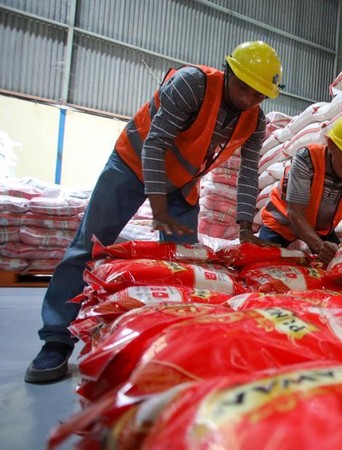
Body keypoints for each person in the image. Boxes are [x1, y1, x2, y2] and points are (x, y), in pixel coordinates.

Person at [24, 41, 282, 383]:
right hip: (132, 164)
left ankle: (173, 343)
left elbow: (249, 171)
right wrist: (158, 207)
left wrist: (245, 227)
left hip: (183, 181)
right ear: (229, 71)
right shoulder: (193, 83)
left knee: (185, 266)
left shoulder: (255, 120)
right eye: (244, 88)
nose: (250, 99)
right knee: (88, 248)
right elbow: (156, 143)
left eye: (259, 95)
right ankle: (56, 340)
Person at [259, 111, 342, 266]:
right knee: (262, 264)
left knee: (341, 269)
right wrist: (318, 246)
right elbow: (295, 213)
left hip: (321, 230)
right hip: (282, 224)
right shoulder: (306, 159)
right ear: (331, 145)